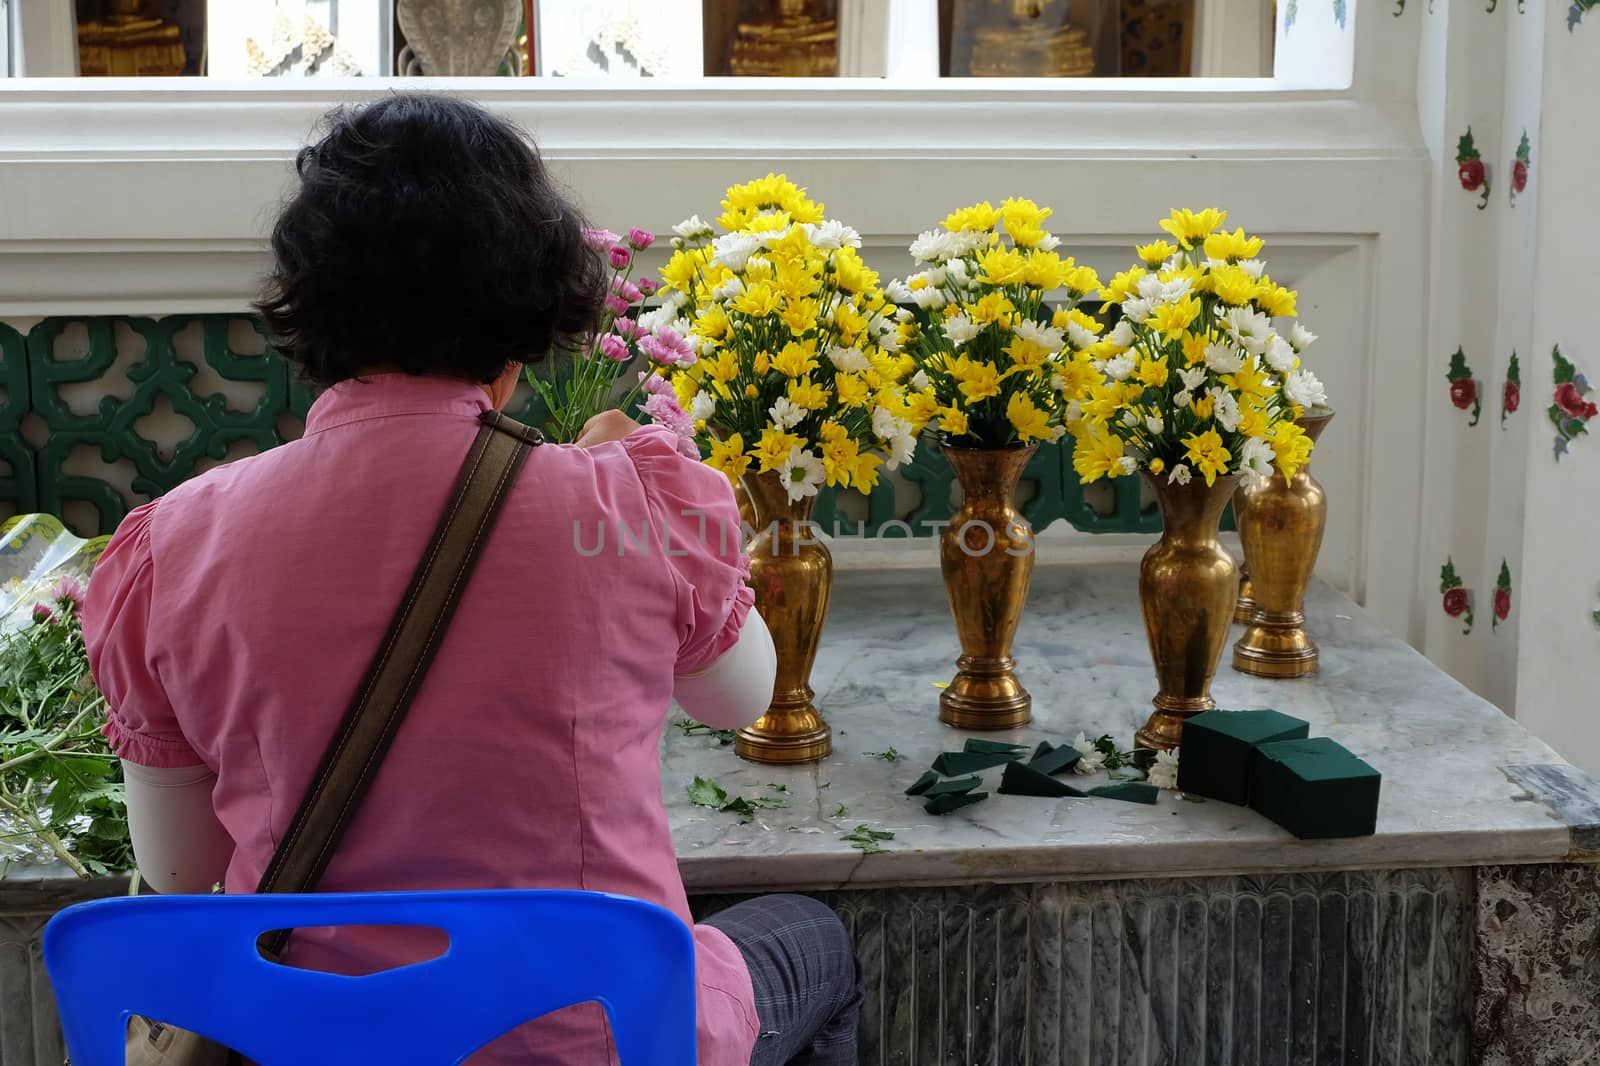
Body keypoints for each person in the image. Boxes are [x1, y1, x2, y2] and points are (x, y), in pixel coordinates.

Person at [81, 93, 862, 1066]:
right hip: (590, 1038)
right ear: (529, 295)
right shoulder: (627, 501)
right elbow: (740, 696)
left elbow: (177, 865)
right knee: (810, 935)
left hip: (313, 1044)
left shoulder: (173, 544)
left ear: (310, 298)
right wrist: (658, 488)